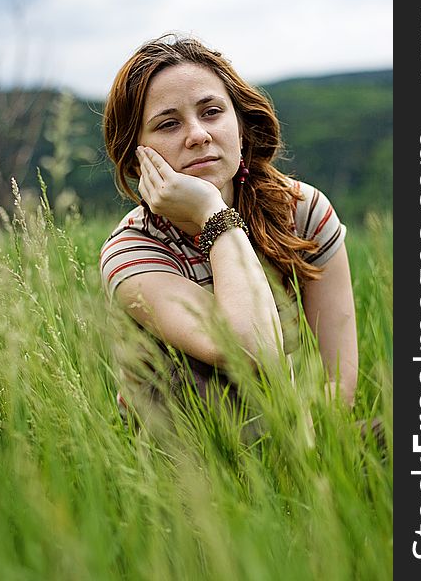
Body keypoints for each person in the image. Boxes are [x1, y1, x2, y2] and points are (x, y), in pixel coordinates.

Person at [100, 33, 358, 429]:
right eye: (168, 124)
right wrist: (211, 212)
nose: (198, 134)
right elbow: (250, 349)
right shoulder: (134, 252)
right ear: (136, 159)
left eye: (211, 112)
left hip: (299, 433)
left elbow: (336, 380)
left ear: (239, 125)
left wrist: (309, 457)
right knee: (198, 378)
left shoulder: (301, 212)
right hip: (188, 460)